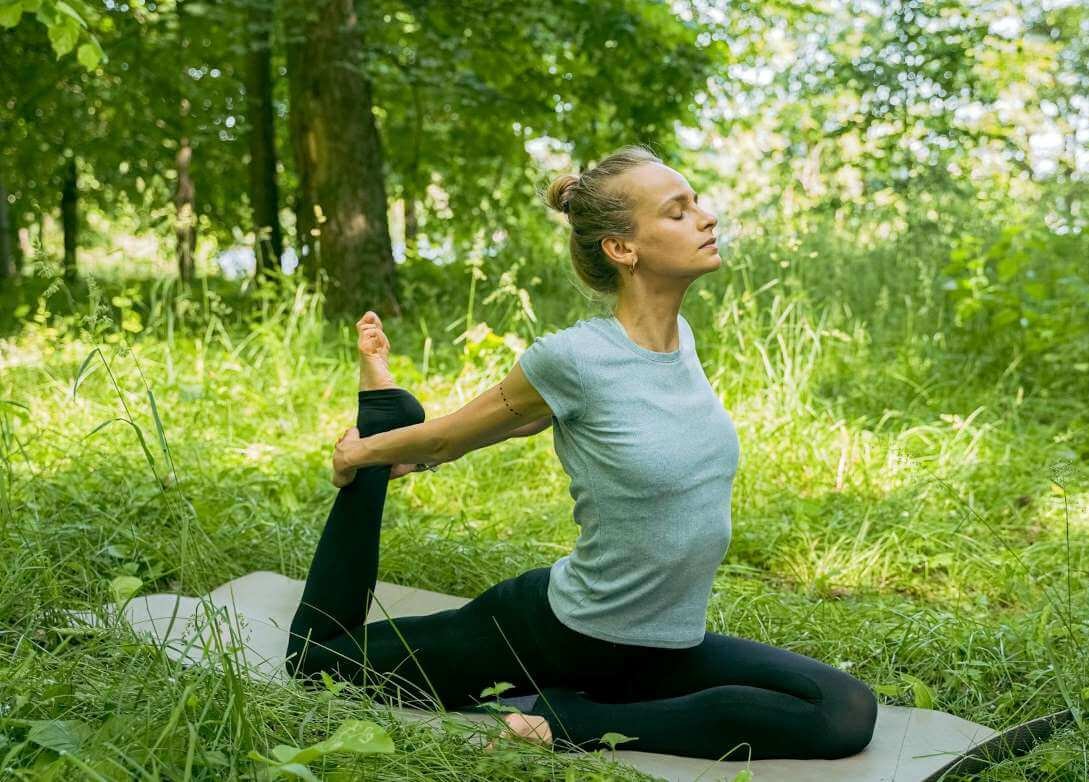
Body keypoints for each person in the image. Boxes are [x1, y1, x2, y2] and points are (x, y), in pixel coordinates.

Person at [287, 145, 878, 760]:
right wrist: (368, 451)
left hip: (663, 644)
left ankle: (571, 714)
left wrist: (417, 452)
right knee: (319, 662)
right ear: (622, 248)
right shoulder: (571, 357)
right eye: (677, 212)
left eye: (697, 204)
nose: (706, 218)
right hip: (555, 634)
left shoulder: (682, 343)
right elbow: (453, 433)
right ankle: (573, 719)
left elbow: (558, 420)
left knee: (844, 711)